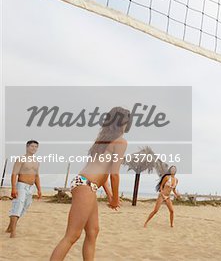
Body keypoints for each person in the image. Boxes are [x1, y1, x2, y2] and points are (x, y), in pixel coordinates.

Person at [50, 107, 130, 261]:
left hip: (86, 184)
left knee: (93, 232)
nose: (126, 124)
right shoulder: (121, 141)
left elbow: (102, 173)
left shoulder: (103, 141)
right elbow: (114, 174)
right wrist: (114, 200)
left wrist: (110, 195)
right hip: (86, 185)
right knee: (72, 236)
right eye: (126, 121)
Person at [5, 140, 42, 238]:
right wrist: (14, 188)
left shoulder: (36, 161)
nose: (34, 148)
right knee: (17, 207)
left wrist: (39, 189)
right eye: (32, 146)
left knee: (25, 207)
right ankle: (13, 232)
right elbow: (14, 174)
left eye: (36, 147)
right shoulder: (21, 159)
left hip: (31, 187)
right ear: (27, 147)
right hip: (21, 185)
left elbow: (37, 176)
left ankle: (10, 227)